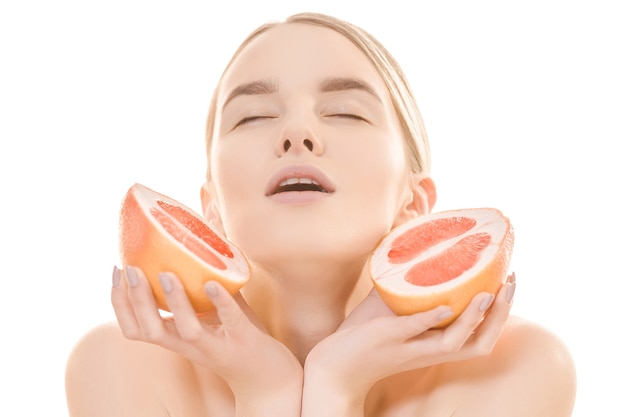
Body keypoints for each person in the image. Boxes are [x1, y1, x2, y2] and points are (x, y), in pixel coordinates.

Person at [65, 12, 577, 417]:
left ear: (414, 204)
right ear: (211, 210)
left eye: (346, 112)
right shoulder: (119, 366)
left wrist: (336, 385)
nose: (296, 135)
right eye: (253, 116)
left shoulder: (516, 368)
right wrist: (266, 393)